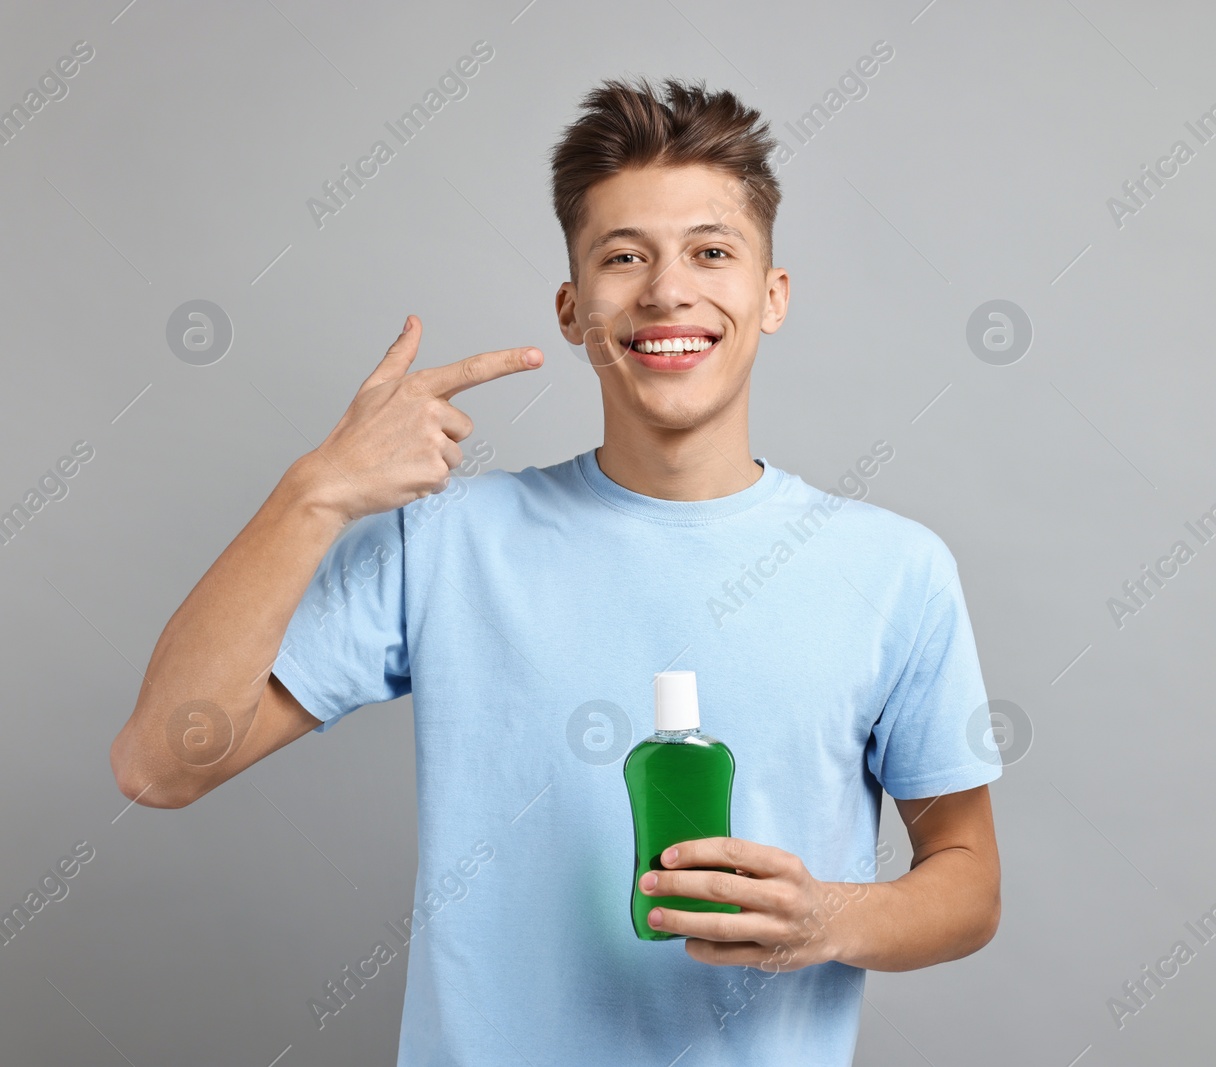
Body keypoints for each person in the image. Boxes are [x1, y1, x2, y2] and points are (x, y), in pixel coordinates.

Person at [110, 75, 1002, 1065]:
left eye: (711, 252)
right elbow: (158, 762)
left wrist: (828, 918)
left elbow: (967, 882)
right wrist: (314, 491)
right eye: (625, 257)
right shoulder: (447, 542)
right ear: (573, 308)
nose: (667, 289)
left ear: (771, 294)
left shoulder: (891, 569)